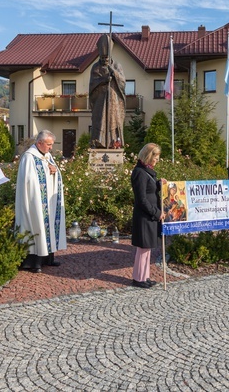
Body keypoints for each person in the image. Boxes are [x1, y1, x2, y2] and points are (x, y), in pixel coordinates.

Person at [15, 130, 67, 272]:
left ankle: (48, 258)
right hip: (34, 202)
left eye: (51, 144)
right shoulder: (29, 157)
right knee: (36, 226)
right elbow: (29, 181)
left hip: (48, 203)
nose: (51, 148)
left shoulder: (47, 156)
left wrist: (54, 170)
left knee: (48, 226)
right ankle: (34, 262)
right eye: (49, 144)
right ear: (39, 143)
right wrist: (47, 169)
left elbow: (52, 173)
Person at [130, 143, 165, 288]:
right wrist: (157, 213)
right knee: (143, 248)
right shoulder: (139, 172)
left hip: (149, 216)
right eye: (155, 157)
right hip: (145, 216)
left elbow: (149, 189)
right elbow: (142, 199)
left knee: (147, 248)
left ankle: (145, 276)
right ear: (149, 156)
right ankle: (138, 278)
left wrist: (158, 184)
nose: (157, 160)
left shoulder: (146, 171)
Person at [89, 34, 126, 148]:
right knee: (100, 121)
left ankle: (114, 143)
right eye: (102, 57)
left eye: (106, 57)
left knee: (114, 121)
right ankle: (99, 143)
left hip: (114, 100)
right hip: (100, 101)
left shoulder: (116, 65)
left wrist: (113, 72)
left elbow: (123, 82)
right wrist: (103, 79)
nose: (104, 59)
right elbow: (92, 84)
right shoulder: (96, 67)